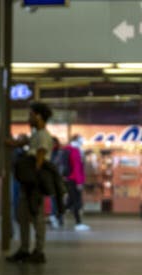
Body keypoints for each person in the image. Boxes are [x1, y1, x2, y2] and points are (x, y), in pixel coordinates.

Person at [7, 101, 54, 263]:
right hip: (29, 183)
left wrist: (32, 178)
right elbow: (24, 143)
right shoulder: (37, 134)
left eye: (31, 115)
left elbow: (39, 159)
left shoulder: (42, 135)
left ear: (39, 116)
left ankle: (38, 251)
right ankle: (25, 249)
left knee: (36, 217)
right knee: (23, 216)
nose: (29, 118)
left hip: (34, 184)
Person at [63, 135, 90, 231]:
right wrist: (79, 182)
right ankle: (78, 223)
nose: (83, 141)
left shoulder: (68, 149)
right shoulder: (75, 151)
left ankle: (56, 216)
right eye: (81, 139)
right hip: (74, 180)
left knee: (71, 201)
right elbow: (77, 168)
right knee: (76, 201)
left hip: (69, 179)